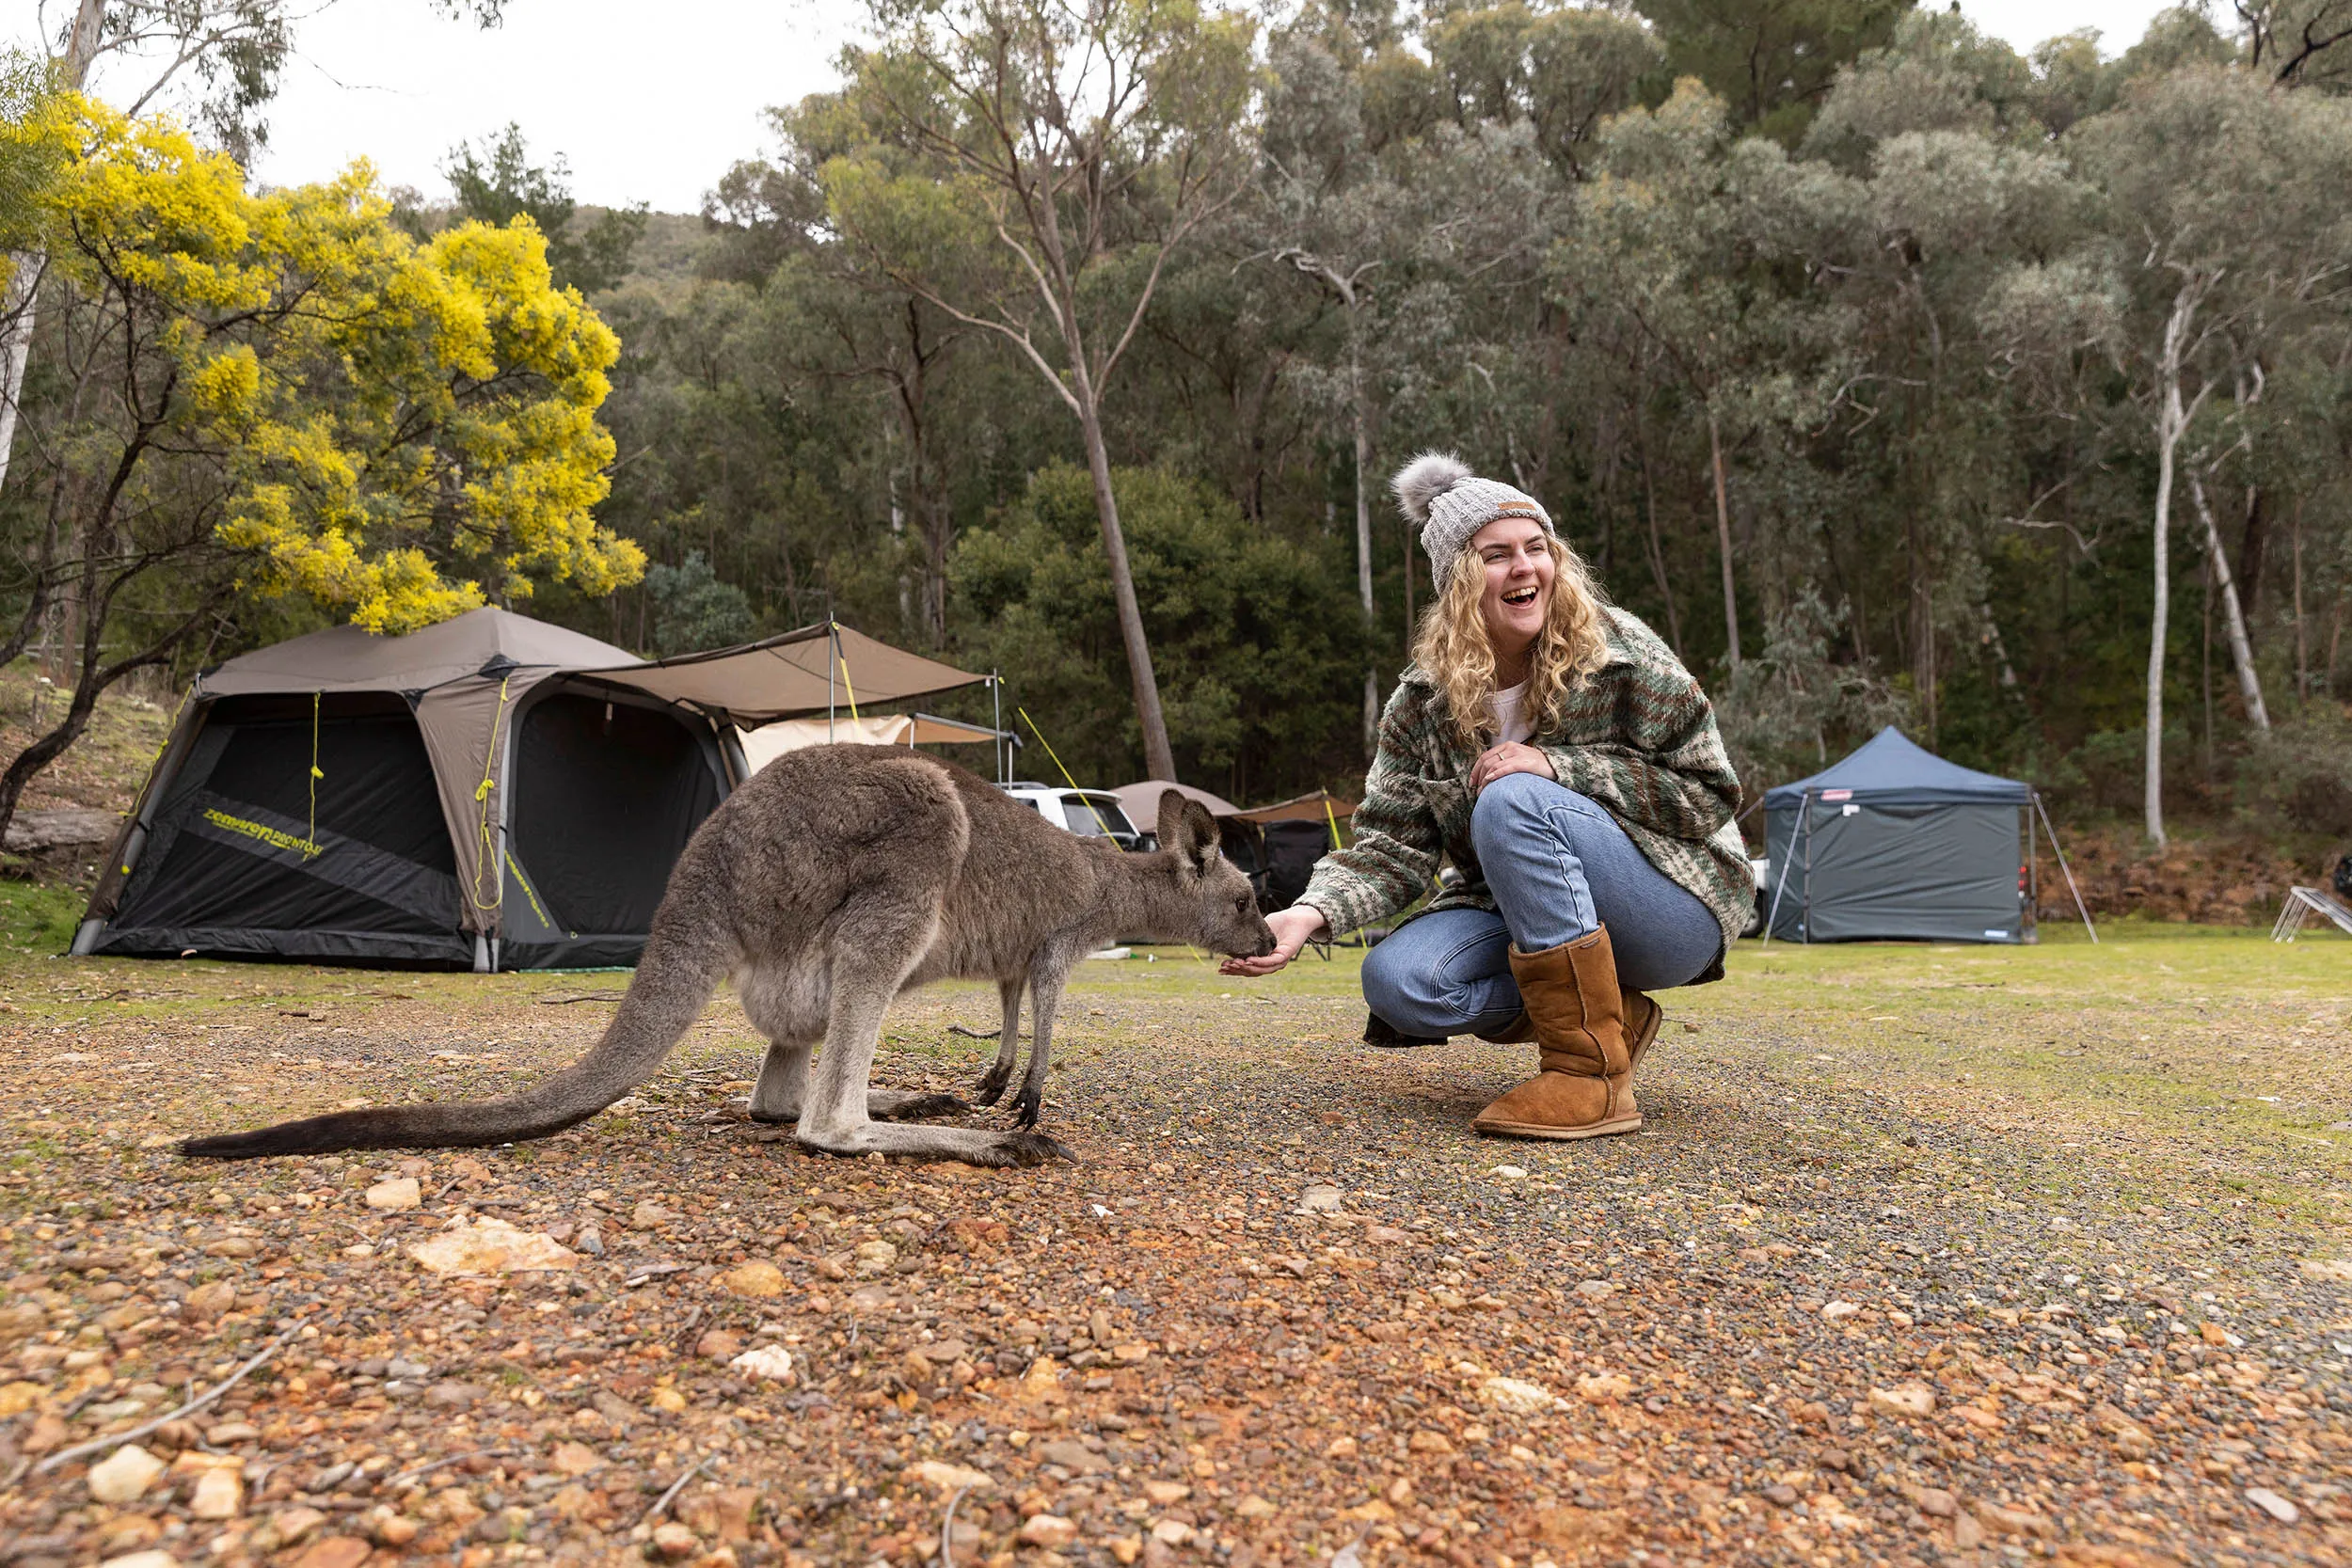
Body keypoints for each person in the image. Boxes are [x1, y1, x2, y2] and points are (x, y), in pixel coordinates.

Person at [1221, 453, 1751, 1140]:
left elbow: (1710, 793)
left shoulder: (1619, 652)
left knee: (1514, 796)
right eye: (1496, 555)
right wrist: (1309, 914)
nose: (1524, 568)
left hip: (1671, 902)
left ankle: (1589, 1076)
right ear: (1459, 579)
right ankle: (1609, 1012)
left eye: (1537, 548)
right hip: (1520, 909)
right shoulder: (1423, 702)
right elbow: (1392, 846)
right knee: (1400, 980)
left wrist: (1562, 769)